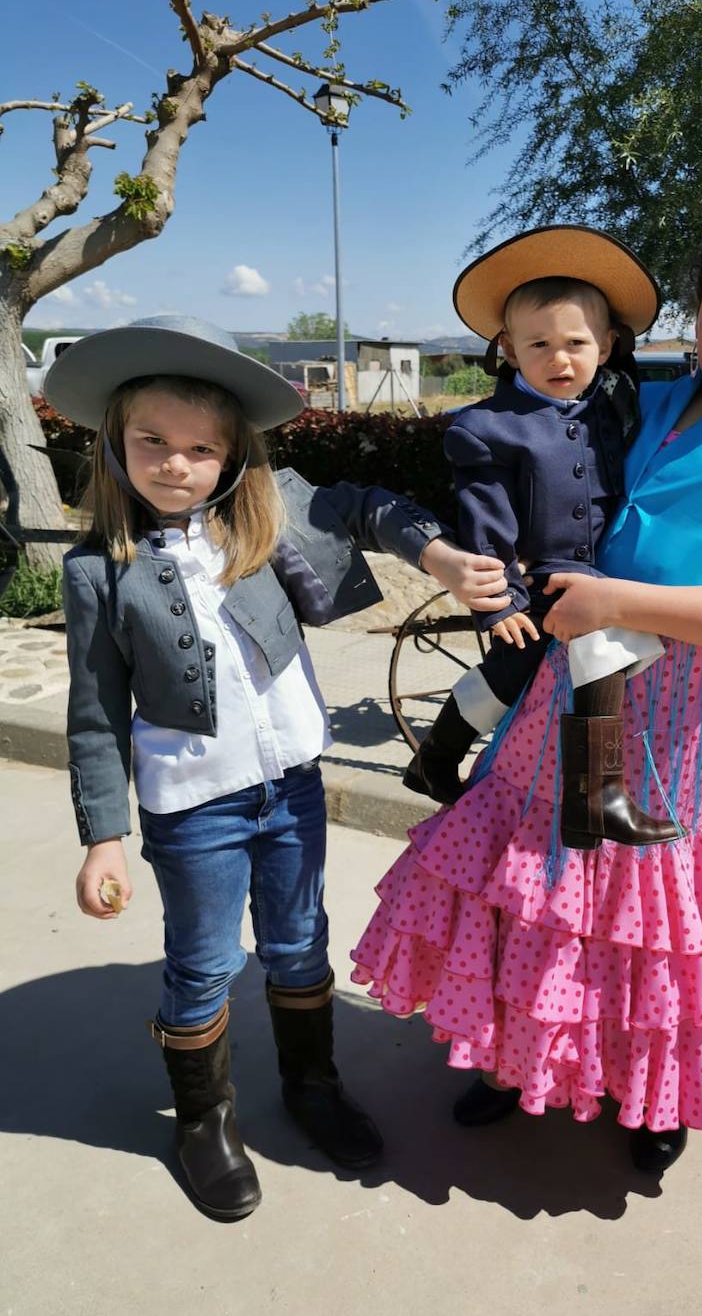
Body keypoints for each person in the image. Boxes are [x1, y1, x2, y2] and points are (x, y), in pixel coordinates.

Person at [351, 158, 702, 1175]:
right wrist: (463, 555)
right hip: (571, 675)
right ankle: (515, 1052)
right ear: (689, 320)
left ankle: (648, 1086)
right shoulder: (658, 401)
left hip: (667, 699)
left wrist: (615, 601)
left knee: (640, 896)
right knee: (537, 877)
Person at [47, 315, 506, 1222]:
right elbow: (94, 715)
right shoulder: (99, 570)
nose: (176, 464)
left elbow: (374, 504)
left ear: (230, 454)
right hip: (192, 809)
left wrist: (441, 556)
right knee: (204, 963)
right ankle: (204, 1119)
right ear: (113, 443)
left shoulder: (268, 515)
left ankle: (313, 1086)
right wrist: (104, 837)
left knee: (299, 944)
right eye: (153, 443)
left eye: (200, 448)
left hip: (291, 790)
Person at [403, 226, 675, 850]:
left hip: (595, 571)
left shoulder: (609, 409)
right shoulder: (486, 427)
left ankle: (436, 759)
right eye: (540, 344)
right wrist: (499, 600)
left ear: (606, 347)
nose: (560, 359)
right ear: (508, 348)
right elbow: (485, 518)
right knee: (550, 659)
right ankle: (594, 800)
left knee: (529, 670)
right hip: (534, 578)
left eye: (576, 344)